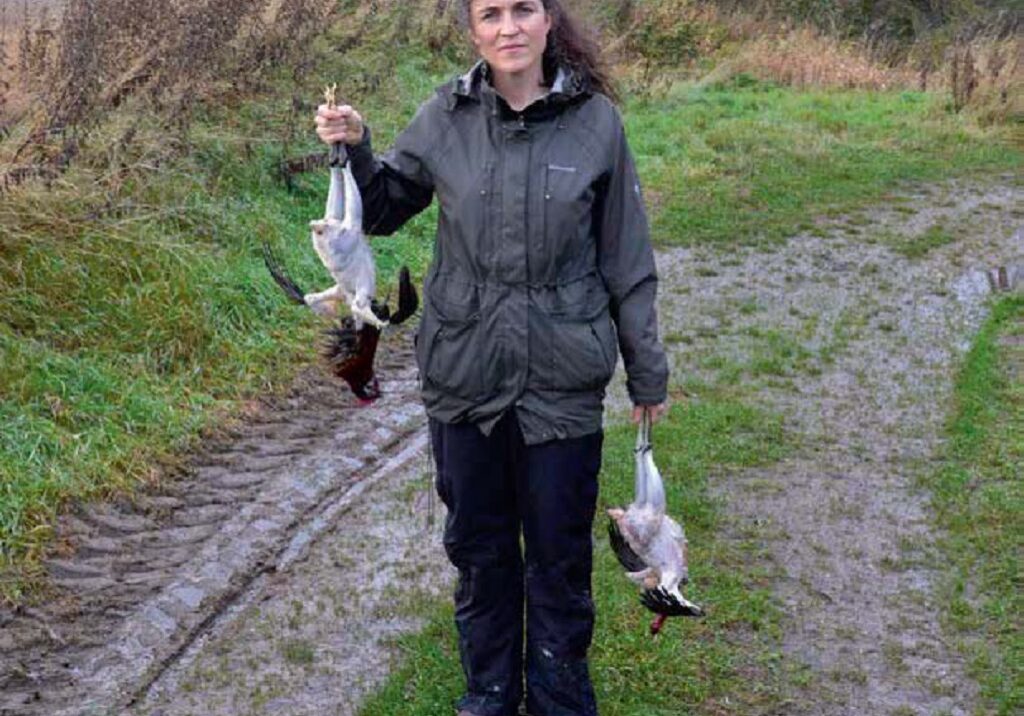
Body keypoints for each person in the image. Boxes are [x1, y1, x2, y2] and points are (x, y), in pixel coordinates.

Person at [315, 1, 668, 714]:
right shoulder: (446, 116)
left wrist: (647, 368)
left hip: (562, 385)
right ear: (473, 30)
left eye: (523, 10)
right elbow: (381, 209)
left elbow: (626, 258)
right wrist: (354, 147)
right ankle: (490, 696)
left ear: (548, 22)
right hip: (465, 376)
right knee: (480, 558)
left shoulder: (597, 124)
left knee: (560, 564)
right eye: (490, 14)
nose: (508, 27)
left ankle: (562, 699)